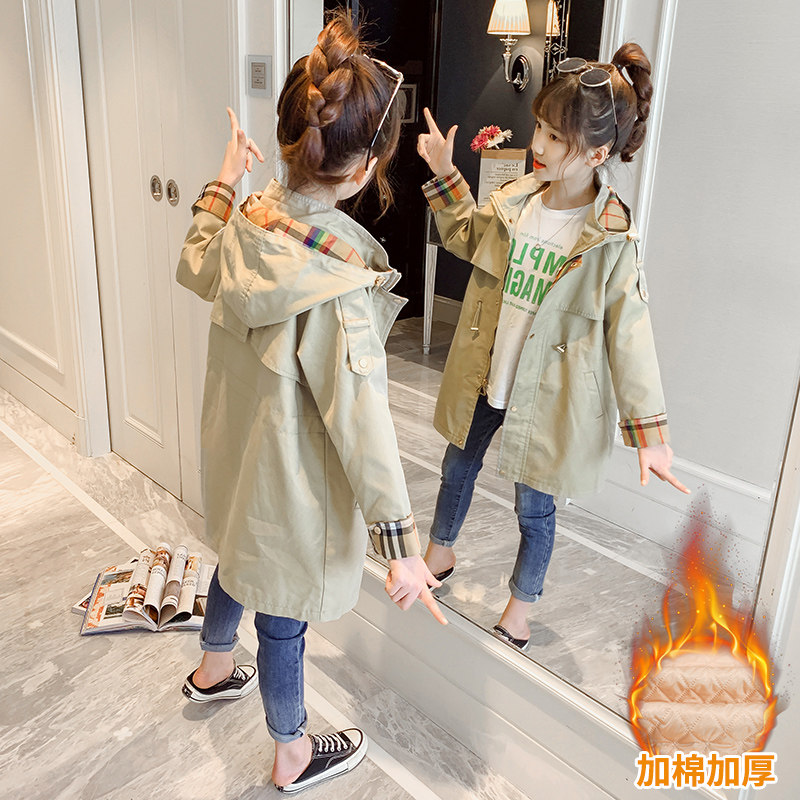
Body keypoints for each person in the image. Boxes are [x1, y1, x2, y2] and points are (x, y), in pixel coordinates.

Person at [176, 12, 445, 794]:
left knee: (238, 554)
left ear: (289, 140)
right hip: (288, 490)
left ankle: (212, 669)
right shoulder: (337, 285)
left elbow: (194, 264)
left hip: (235, 457)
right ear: (365, 172)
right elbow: (363, 426)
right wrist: (401, 547)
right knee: (283, 615)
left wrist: (226, 175)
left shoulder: (248, 217)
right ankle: (292, 750)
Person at [417, 44, 690, 653]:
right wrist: (444, 171)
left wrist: (650, 435)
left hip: (550, 396)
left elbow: (630, 333)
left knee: (534, 506)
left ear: (596, 153)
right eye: (538, 127)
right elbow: (465, 235)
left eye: (554, 136)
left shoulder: (610, 239)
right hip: (490, 373)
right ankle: (439, 553)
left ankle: (520, 608)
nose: (536, 144)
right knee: (457, 467)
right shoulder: (517, 200)